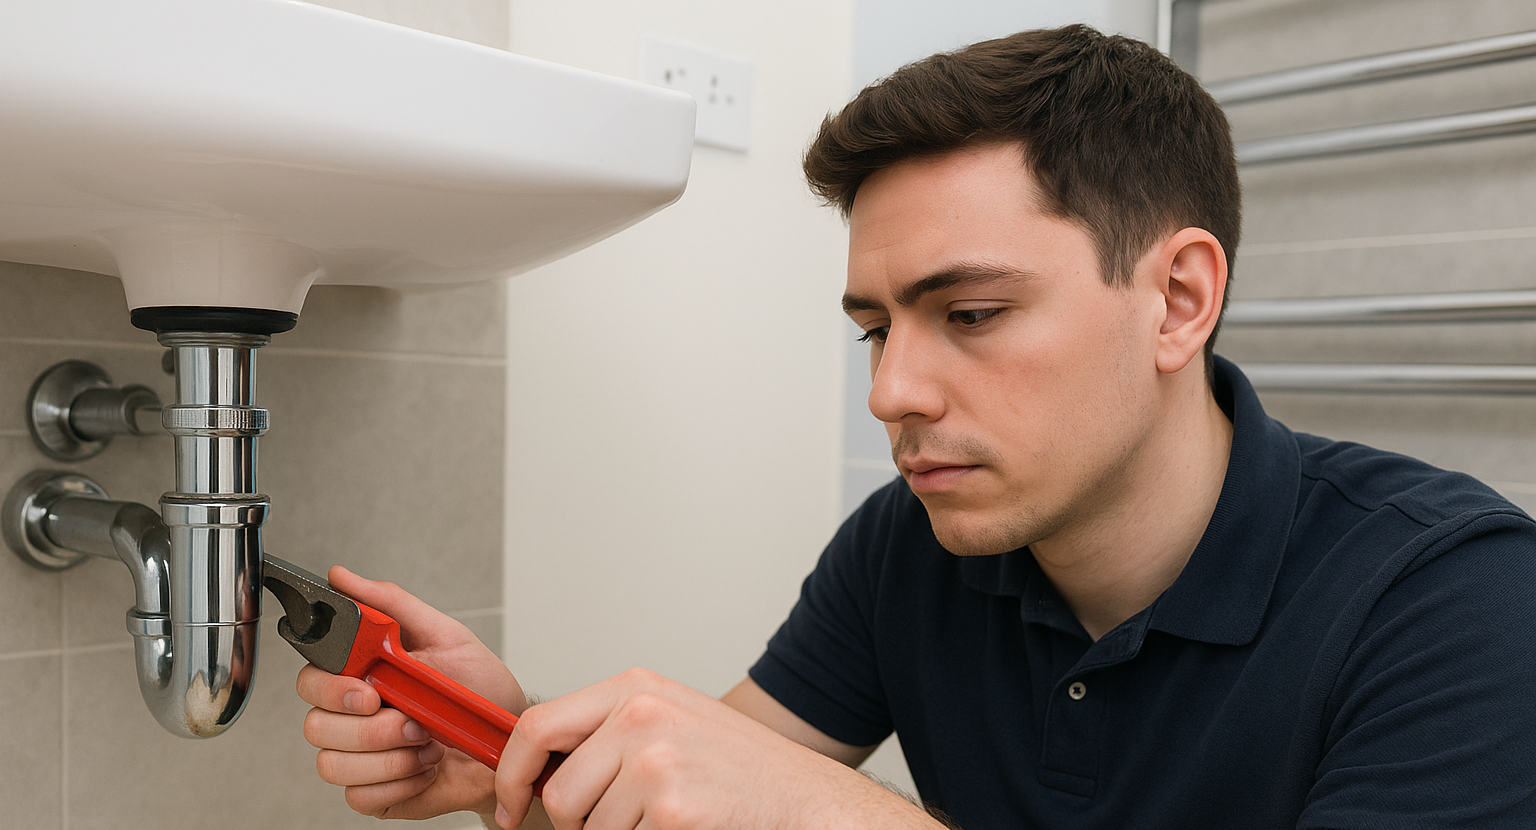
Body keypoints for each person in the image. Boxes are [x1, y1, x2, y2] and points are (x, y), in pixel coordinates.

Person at [295, 24, 1536, 829]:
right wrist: (513, 742)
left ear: (1179, 298)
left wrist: (841, 817)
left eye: (974, 311)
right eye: (877, 327)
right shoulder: (916, 541)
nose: (893, 390)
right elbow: (718, 781)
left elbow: (786, 802)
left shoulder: (1459, 602)